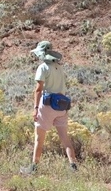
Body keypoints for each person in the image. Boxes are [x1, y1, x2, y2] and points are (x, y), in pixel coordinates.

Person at [21, 41, 78, 174]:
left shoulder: (43, 67)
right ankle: (73, 166)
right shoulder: (59, 67)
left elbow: (38, 89)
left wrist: (35, 108)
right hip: (62, 106)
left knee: (39, 139)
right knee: (65, 138)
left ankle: (33, 168)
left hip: (47, 105)